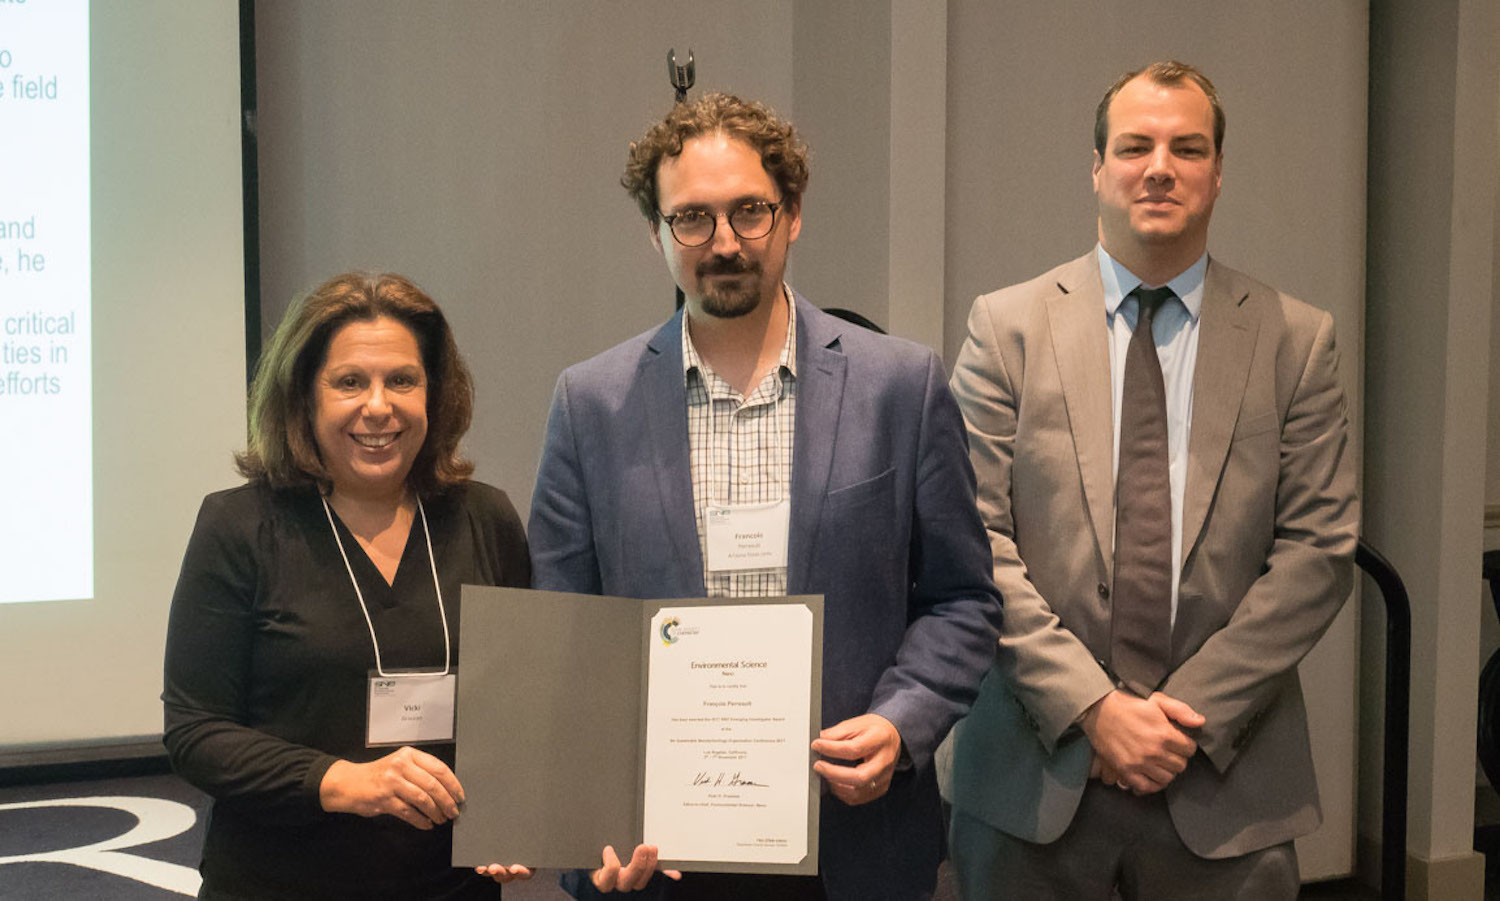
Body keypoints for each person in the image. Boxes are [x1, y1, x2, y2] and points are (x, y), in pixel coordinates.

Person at [528, 93, 1003, 900]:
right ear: (655, 233)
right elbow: (564, 633)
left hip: (853, 843)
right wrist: (587, 818)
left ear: (793, 215)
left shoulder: (901, 385)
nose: (724, 242)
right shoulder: (591, 404)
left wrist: (901, 720)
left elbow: (963, 598)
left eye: (749, 211)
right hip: (658, 853)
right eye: (692, 218)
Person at [940, 61, 1360, 899]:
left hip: (1225, 781)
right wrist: (1093, 710)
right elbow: (970, 538)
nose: (1160, 167)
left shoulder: (1297, 340)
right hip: (1032, 773)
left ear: (1218, 171)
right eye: (1135, 147)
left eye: (1187, 148)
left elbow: (1319, 552)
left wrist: (1180, 720)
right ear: (1097, 168)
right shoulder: (1006, 328)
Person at [162, 272, 533, 899]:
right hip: (280, 882)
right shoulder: (239, 526)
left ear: (435, 393)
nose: (379, 406)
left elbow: (522, 706)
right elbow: (196, 731)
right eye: (350, 382)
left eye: (403, 380)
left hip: (451, 885)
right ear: (304, 396)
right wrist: (342, 781)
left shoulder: (485, 517)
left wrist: (519, 814)